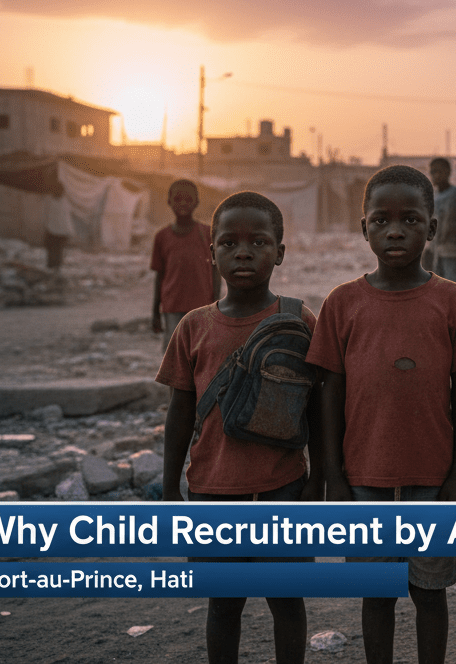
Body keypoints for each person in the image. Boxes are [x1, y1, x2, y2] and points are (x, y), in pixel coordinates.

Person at [307, 164, 456, 664]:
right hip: (363, 479)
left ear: (434, 227)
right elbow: (329, 397)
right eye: (381, 220)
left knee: (430, 593)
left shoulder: (453, 302)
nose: (396, 230)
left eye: (411, 219)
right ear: (364, 229)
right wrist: (332, 477)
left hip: (433, 478)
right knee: (376, 594)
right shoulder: (342, 303)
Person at [157, 191, 322, 664]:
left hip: (282, 487)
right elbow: (179, 413)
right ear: (212, 253)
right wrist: (170, 490)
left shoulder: (297, 320)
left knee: (285, 599)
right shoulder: (193, 326)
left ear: (280, 253)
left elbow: (319, 410)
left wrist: (319, 483)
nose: (243, 252)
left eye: (258, 242)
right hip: (212, 491)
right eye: (228, 242)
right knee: (224, 603)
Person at [151, 179, 219, 354]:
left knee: (201, 354)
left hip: (202, 307)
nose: (183, 204)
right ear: (169, 202)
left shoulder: (207, 234)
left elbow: (215, 271)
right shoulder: (162, 237)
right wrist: (155, 312)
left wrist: (217, 305)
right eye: (178, 199)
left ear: (196, 202)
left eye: (188, 200)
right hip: (172, 307)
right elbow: (159, 275)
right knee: (174, 356)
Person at [422, 157, 456, 287]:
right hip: (436, 249)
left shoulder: (455, 193)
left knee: (454, 285)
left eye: (439, 172)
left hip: (452, 249)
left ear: (448, 172)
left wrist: (453, 228)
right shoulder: (433, 195)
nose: (435, 175)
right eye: (432, 172)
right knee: (439, 286)